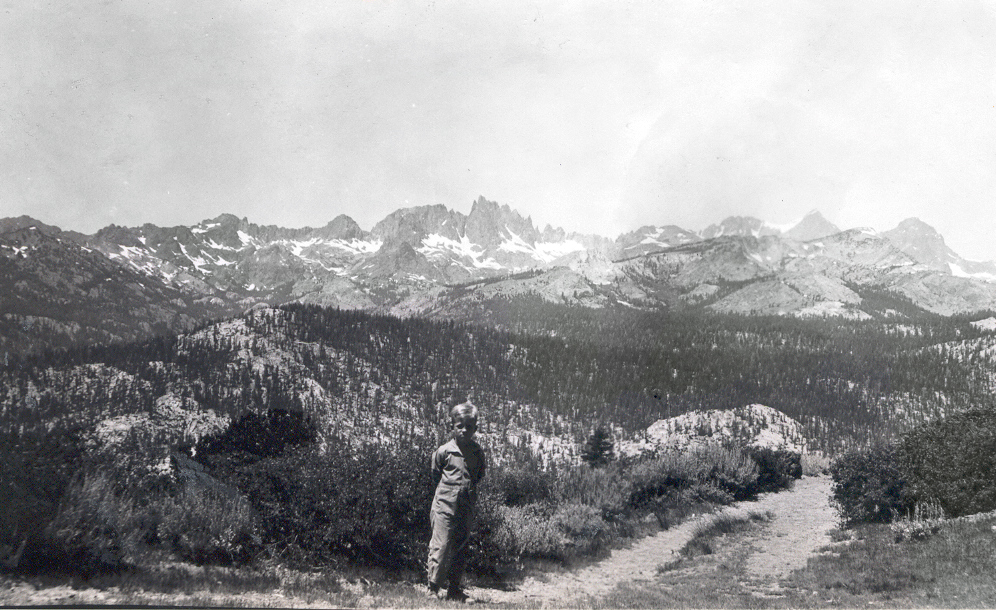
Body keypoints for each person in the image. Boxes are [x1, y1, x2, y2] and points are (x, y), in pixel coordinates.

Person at [426, 401, 487, 602]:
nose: (464, 430)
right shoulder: (444, 451)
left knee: (460, 546)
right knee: (441, 544)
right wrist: (448, 493)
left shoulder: (477, 453)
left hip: (466, 505)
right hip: (444, 505)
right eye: (459, 425)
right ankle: (433, 588)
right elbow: (435, 474)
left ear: (475, 429)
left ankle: (454, 589)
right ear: (452, 426)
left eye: (469, 426)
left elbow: (478, 476)